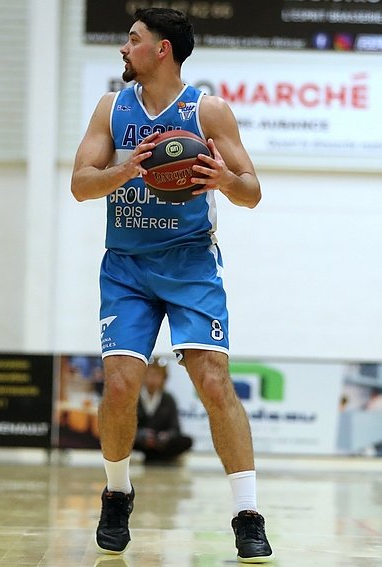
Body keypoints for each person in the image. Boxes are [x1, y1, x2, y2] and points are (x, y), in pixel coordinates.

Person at [71, 8, 273, 563]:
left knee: (213, 382)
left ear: (162, 49)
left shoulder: (208, 110)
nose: (124, 47)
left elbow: (252, 191)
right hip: (127, 266)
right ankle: (117, 494)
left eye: (133, 39)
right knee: (119, 385)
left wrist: (224, 180)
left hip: (190, 264)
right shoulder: (112, 108)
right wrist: (125, 171)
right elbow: (81, 185)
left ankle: (247, 513)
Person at [135, 357, 192, 464]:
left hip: (160, 444)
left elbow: (175, 428)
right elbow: (126, 426)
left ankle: (153, 457)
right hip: (140, 443)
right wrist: (141, 435)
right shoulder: (134, 397)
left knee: (187, 441)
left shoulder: (168, 399)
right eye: (150, 374)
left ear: (164, 378)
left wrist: (166, 436)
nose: (153, 379)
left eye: (157, 375)